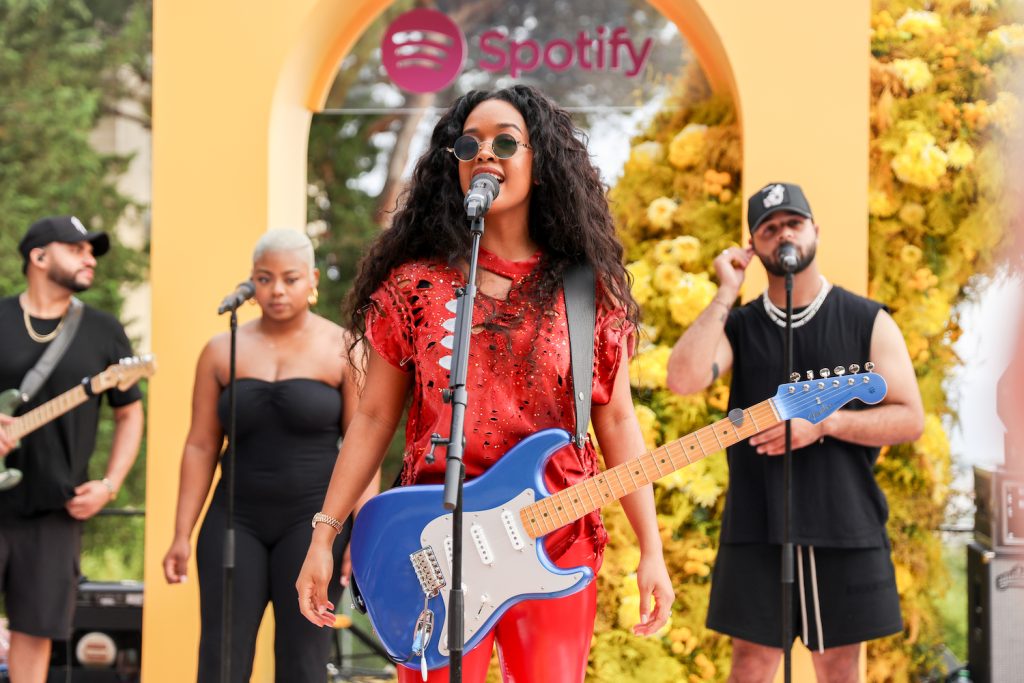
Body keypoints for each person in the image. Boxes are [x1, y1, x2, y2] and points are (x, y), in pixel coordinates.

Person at [296, 85, 674, 683]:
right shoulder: (415, 286)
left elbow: (618, 420)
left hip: (555, 539)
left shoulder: (585, 293)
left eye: (506, 142)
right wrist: (326, 534)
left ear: (540, 162)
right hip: (433, 541)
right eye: (469, 144)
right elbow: (372, 420)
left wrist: (651, 550)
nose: (486, 154)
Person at [666, 182, 924, 682]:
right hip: (756, 522)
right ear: (754, 246)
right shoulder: (739, 326)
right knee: (751, 665)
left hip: (844, 521)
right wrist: (725, 291)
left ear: (814, 231)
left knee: (840, 668)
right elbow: (683, 379)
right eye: (769, 228)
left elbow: (910, 418)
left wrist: (826, 423)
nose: (783, 234)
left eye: (792, 223)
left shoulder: (866, 319)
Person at [162, 229, 374, 683]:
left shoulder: (343, 347)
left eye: (290, 278)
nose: (277, 289)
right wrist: (182, 531)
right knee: (222, 657)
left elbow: (364, 445)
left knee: (302, 658)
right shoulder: (221, 350)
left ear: (312, 279)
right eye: (265, 278)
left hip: (314, 522)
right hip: (234, 519)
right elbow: (200, 444)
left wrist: (361, 531)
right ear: (251, 283)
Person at [0, 216, 145, 683]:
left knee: (34, 634)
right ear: (38, 257)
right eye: (77, 248)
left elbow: (129, 413)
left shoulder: (102, 330)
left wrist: (109, 483)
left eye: (92, 251)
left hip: (55, 510)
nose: (90, 258)